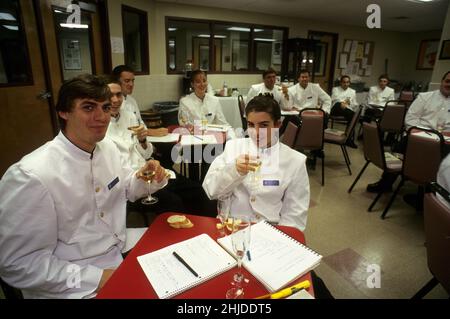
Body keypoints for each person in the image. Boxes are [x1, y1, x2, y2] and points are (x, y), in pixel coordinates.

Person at [0, 74, 169, 298]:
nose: (102, 117)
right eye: (88, 107)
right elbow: (16, 264)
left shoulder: (107, 148)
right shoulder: (32, 175)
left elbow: (126, 188)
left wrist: (149, 177)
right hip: (70, 280)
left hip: (117, 250)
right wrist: (97, 278)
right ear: (64, 112)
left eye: (106, 107)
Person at [105, 78, 216, 217]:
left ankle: (204, 231)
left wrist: (143, 140)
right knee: (175, 203)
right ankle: (181, 233)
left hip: (150, 172)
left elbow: (146, 153)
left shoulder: (129, 117)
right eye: (110, 96)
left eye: (118, 95)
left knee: (198, 190)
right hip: (132, 182)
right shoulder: (100, 127)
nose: (115, 100)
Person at [202, 95, 310, 231]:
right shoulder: (233, 147)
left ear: (278, 124)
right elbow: (210, 190)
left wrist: (280, 239)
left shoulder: (295, 161)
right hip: (232, 226)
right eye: (251, 125)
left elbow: (294, 216)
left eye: (264, 125)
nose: (256, 132)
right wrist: (233, 171)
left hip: (270, 230)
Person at [366, 71, 450, 194]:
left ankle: (430, 194)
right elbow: (410, 120)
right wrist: (424, 134)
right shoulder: (424, 97)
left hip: (444, 142)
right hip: (419, 137)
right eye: (448, 81)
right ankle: (386, 183)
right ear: (442, 82)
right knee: (402, 146)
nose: (449, 85)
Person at [112, 65, 168, 138]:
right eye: (127, 81)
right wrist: (150, 132)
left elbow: (140, 123)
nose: (131, 84)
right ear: (117, 82)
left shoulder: (132, 100)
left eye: (132, 80)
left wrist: (148, 132)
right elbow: (121, 130)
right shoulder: (113, 105)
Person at [330, 75, 359, 148]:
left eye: (347, 82)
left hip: (346, 110)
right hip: (336, 109)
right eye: (344, 82)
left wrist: (347, 103)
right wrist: (343, 103)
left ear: (349, 83)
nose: (345, 84)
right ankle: (349, 139)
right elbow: (335, 99)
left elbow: (354, 103)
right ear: (341, 83)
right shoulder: (335, 89)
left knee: (352, 115)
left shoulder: (352, 91)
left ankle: (348, 138)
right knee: (339, 104)